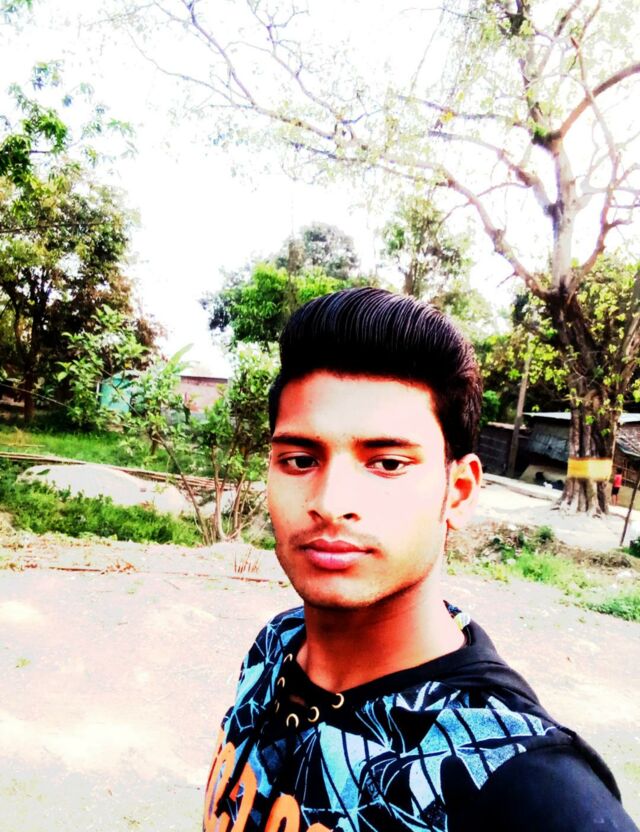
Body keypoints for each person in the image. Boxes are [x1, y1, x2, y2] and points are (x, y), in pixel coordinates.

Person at [203, 288, 638, 832]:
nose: (331, 502)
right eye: (299, 459)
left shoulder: (521, 784)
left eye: (387, 463)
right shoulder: (276, 647)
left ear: (458, 492)